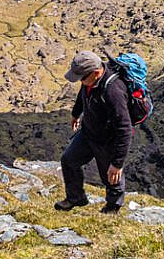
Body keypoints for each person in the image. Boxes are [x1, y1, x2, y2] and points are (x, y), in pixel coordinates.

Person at [55, 51, 131, 214]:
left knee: (110, 176)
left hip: (107, 140)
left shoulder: (113, 91)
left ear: (96, 73)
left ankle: (113, 207)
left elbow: (125, 128)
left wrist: (117, 163)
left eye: (82, 78)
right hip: (88, 132)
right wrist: (76, 114)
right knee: (68, 160)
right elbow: (83, 95)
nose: (80, 82)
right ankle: (76, 198)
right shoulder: (89, 79)